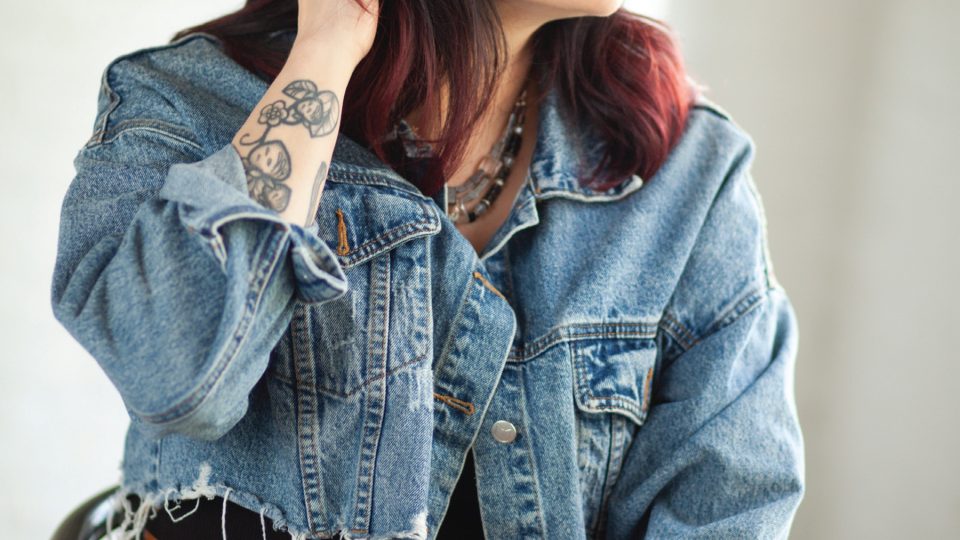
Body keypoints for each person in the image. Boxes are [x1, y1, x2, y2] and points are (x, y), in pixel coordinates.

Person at [50, 0, 805, 538]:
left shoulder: (686, 169)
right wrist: (323, 53)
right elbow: (182, 385)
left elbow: (728, 504)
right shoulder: (186, 102)